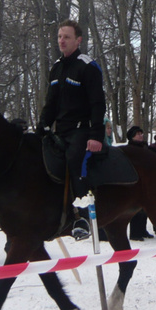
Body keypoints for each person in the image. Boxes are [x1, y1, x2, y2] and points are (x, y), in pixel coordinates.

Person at [38, 20, 105, 240]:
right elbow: (50, 104)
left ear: (78, 40)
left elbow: (97, 103)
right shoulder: (56, 68)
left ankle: (82, 217)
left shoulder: (87, 66)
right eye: (59, 37)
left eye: (66, 37)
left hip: (82, 130)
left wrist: (96, 135)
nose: (61, 41)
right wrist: (42, 127)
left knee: (75, 159)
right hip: (60, 131)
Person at [126, 126, 155, 241]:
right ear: (132, 136)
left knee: (145, 208)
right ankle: (135, 233)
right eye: (138, 134)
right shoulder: (129, 149)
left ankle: (142, 230)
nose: (140, 135)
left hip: (146, 180)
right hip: (134, 181)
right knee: (135, 209)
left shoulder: (145, 147)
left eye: (141, 133)